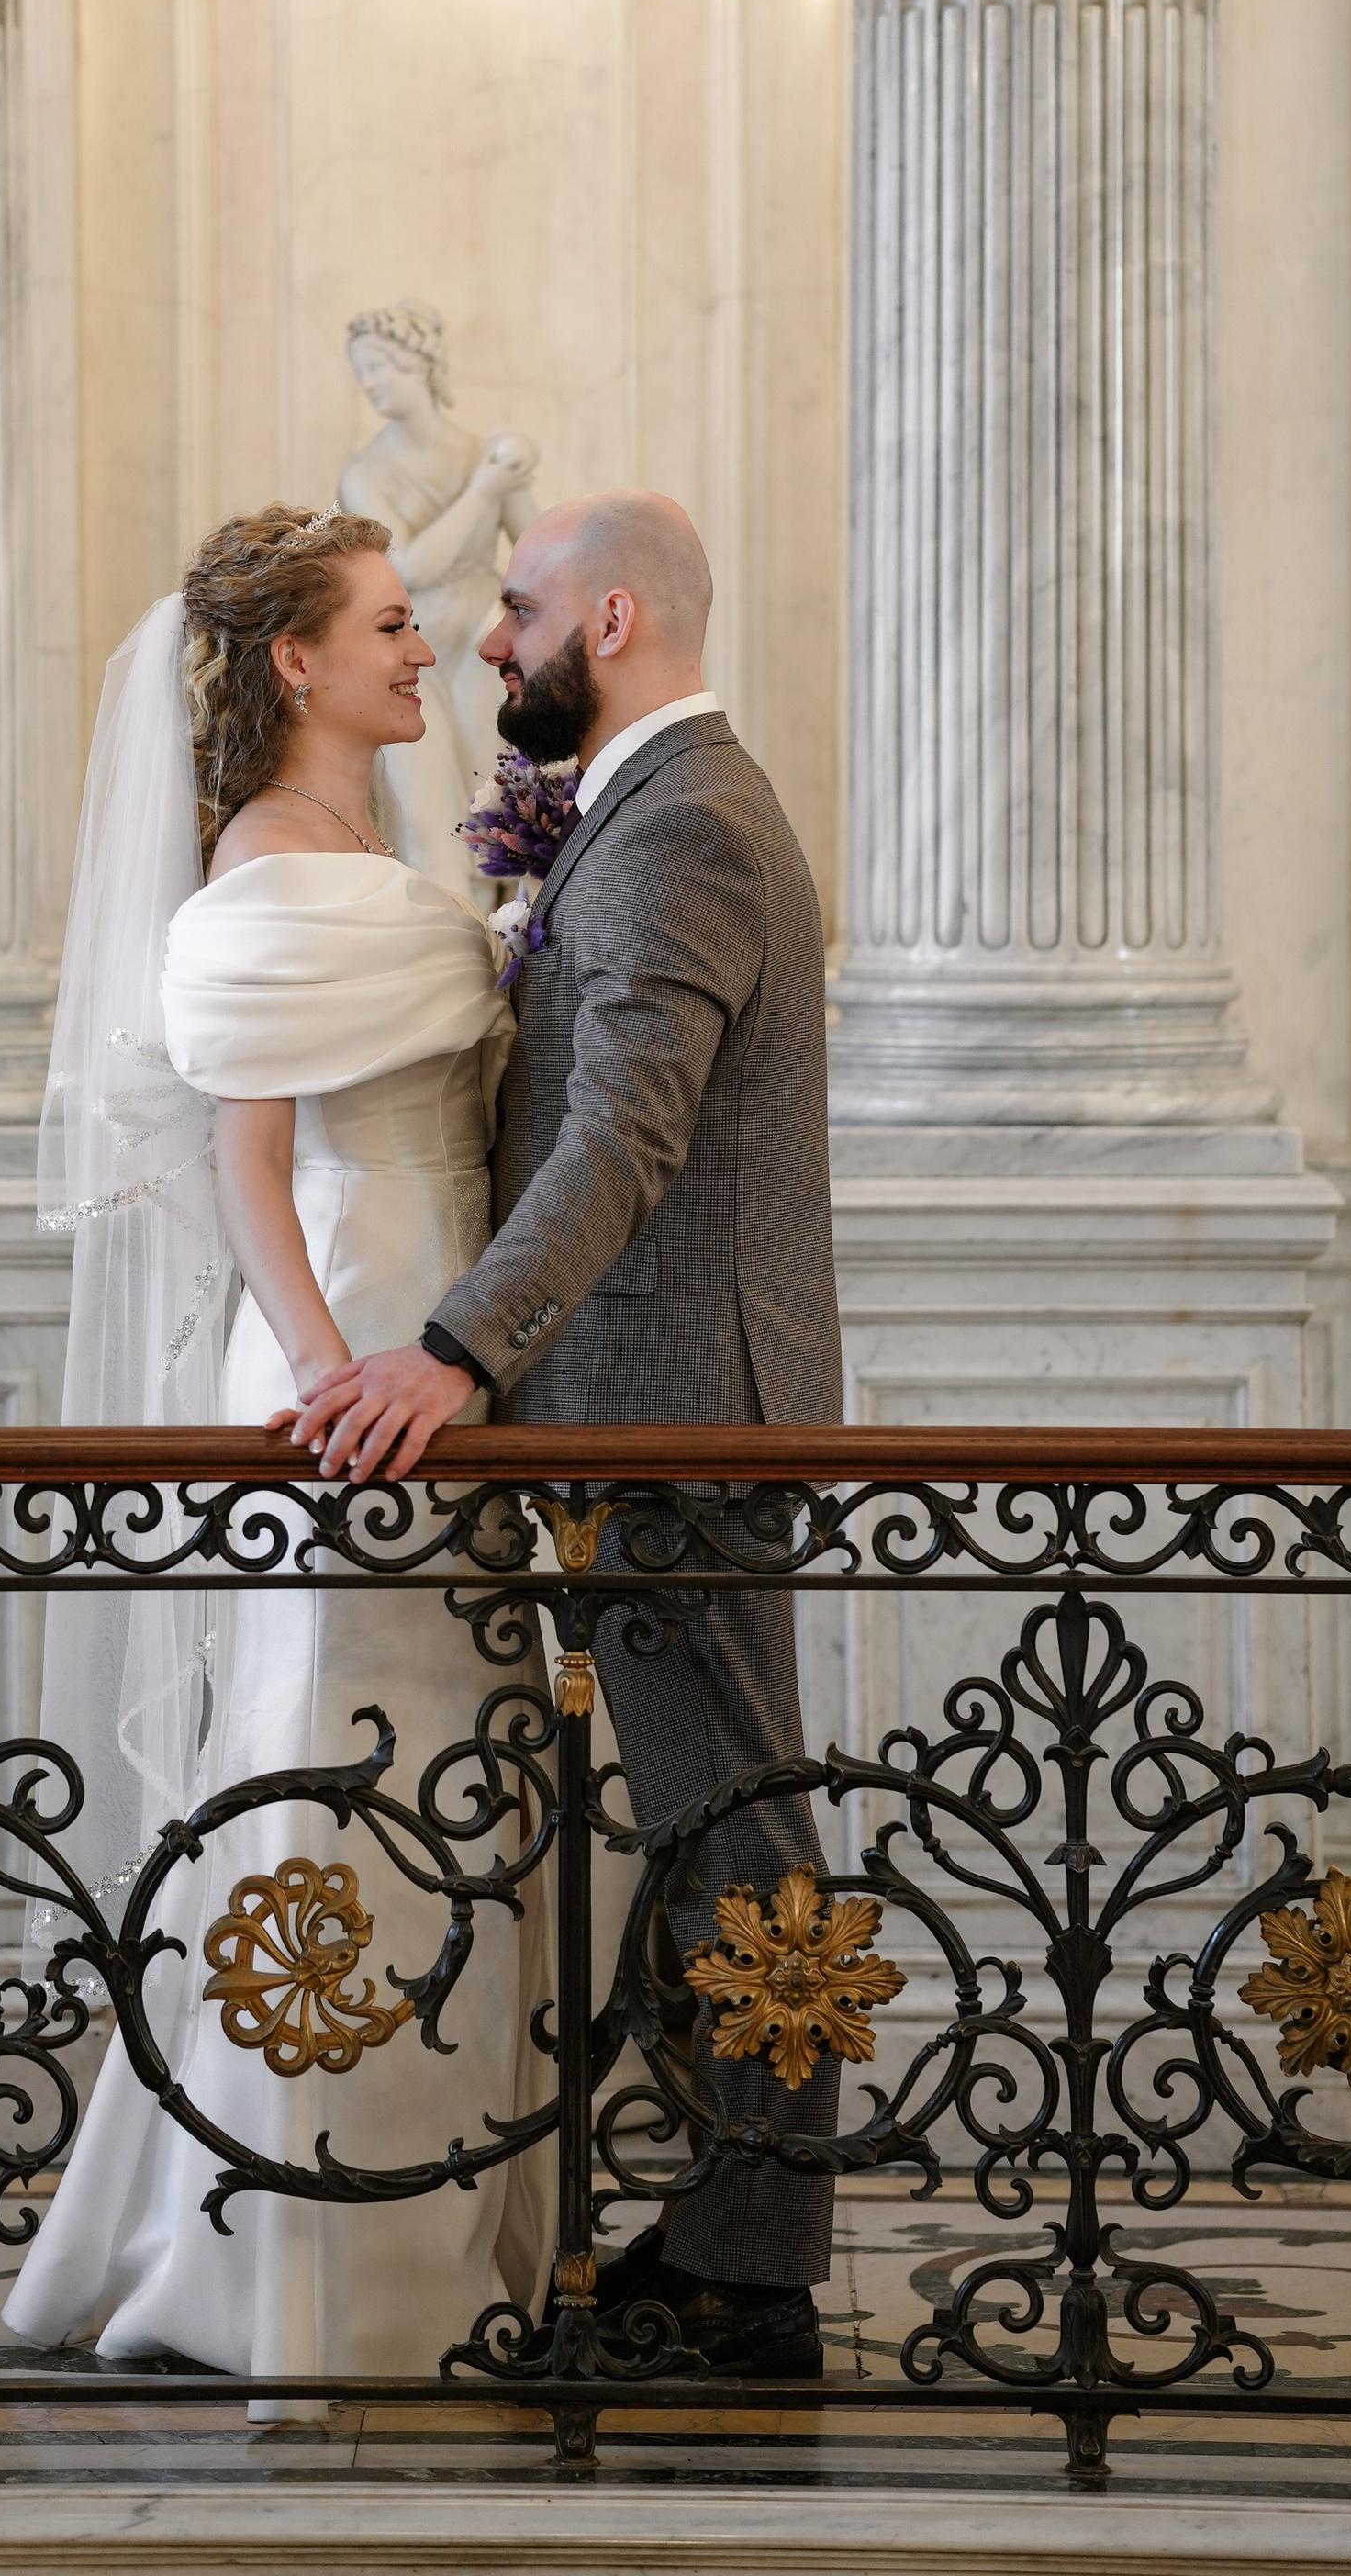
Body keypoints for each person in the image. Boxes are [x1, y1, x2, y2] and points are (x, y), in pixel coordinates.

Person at [290, 491, 843, 2380]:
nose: (485, 639)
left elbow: (627, 1128)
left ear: (605, 619)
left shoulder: (680, 822)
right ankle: (718, 2236)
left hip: (678, 1407)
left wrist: (452, 1348)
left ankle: (753, 2274)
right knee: (702, 1817)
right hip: (643, 1400)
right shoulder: (642, 810)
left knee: (735, 1826)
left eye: (512, 607)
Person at [2, 505, 551, 2387]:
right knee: (320, 1771)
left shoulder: (371, 839)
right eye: (393, 626)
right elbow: (244, 1160)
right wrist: (332, 1379)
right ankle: (287, 2266)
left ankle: (422, 2223)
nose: (428, 651)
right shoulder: (256, 862)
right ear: (295, 664)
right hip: (347, 1340)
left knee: (443, 1780)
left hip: (440, 1321)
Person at [337, 302, 539, 905]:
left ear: (418, 365)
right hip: (410, 648)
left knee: (497, 795)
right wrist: (485, 490)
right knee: (425, 810)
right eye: (361, 373)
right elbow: (407, 567)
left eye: (378, 368)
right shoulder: (365, 474)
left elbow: (540, 549)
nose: (368, 384)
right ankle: (454, 947)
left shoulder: (491, 455)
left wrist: (516, 471)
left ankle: (515, 946)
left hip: (483, 640)